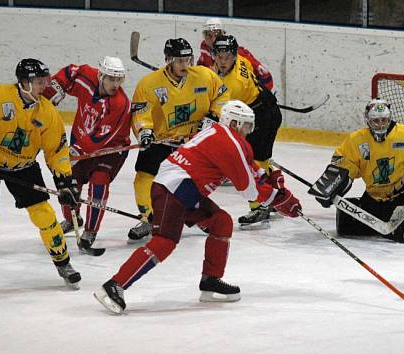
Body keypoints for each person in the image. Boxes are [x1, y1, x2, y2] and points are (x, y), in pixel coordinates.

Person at [94, 100, 302, 314]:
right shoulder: (230, 142)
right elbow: (249, 190)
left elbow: (251, 168)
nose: (249, 131)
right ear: (233, 123)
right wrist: (281, 199)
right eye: (246, 125)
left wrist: (271, 179)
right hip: (174, 189)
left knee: (221, 221)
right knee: (164, 242)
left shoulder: (221, 133)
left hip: (183, 189)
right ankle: (114, 286)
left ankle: (211, 280)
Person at [0, 58, 81, 292]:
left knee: (44, 215)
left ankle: (63, 263)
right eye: (38, 82)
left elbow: (57, 151)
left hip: (23, 166)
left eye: (44, 81)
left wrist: (65, 181)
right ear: (24, 82)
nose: (43, 86)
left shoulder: (47, 112)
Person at [128, 38, 230, 243]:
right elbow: (141, 113)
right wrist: (144, 131)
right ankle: (151, 218)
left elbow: (222, 95)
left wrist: (214, 116)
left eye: (188, 59)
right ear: (168, 60)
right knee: (143, 179)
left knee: (191, 185)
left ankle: (202, 219)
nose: (185, 65)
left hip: (193, 142)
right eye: (179, 60)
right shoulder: (149, 84)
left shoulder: (204, 76)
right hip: (161, 141)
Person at [308, 98, 404, 238]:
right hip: (377, 197)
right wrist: (329, 187)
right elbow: (344, 164)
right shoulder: (357, 140)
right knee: (349, 229)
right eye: (375, 121)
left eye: (384, 120)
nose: (381, 125)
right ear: (368, 121)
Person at [43, 56, 131, 252]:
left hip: (111, 150)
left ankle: (91, 230)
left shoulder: (120, 103)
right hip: (80, 140)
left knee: (99, 181)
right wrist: (57, 87)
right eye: (111, 78)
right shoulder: (88, 76)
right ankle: (71, 218)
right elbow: (70, 71)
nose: (115, 84)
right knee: (67, 179)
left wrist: (73, 152)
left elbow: (101, 138)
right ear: (101, 75)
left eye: (119, 80)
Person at [211, 35, 283, 228]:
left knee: (251, 162)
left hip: (261, 116)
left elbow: (224, 113)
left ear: (234, 56)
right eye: (219, 55)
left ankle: (260, 206)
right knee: (260, 161)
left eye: (227, 55)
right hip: (259, 105)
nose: (223, 60)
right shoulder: (239, 60)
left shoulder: (235, 84)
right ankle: (275, 194)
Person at [197, 18, 274, 91]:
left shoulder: (238, 53)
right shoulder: (205, 50)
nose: (213, 40)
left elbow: (267, 78)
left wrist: (258, 97)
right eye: (209, 36)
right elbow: (201, 70)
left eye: (217, 35)